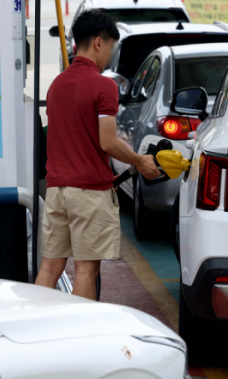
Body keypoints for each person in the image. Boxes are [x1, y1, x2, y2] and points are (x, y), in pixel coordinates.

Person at [36, 10, 161, 300]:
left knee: (49, 267)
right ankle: (85, 337)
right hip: (88, 192)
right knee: (85, 271)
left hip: (57, 190)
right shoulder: (103, 85)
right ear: (98, 43)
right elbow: (108, 141)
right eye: (112, 47)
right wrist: (140, 161)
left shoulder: (57, 86)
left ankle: (35, 330)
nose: (110, 56)